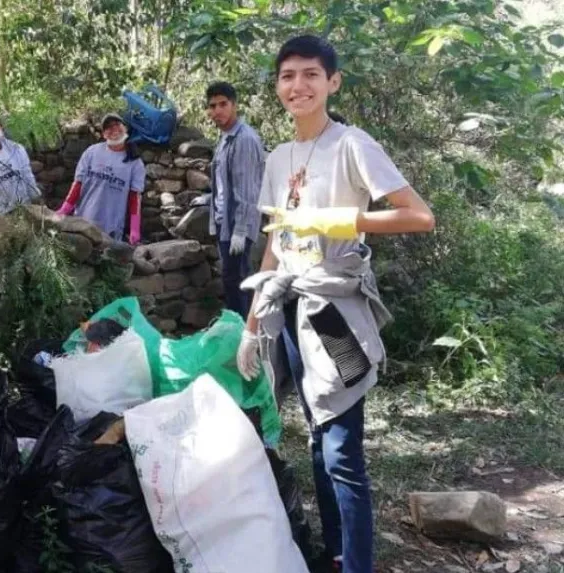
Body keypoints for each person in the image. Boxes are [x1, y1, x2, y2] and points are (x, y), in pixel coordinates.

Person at [237, 36, 435, 573]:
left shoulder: (351, 145)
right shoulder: (280, 157)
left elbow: (419, 216)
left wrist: (346, 221)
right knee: (319, 437)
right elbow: (276, 242)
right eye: (286, 76)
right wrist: (252, 323)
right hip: (297, 314)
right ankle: (335, 554)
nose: (297, 85)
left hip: (336, 317)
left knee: (343, 452)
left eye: (310, 74)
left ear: (332, 82)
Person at [205, 81, 266, 319]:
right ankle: (240, 332)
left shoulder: (244, 139)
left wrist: (240, 230)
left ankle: (245, 335)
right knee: (233, 279)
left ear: (234, 105)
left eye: (223, 104)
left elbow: (247, 190)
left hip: (237, 225)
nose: (217, 111)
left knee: (237, 281)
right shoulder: (225, 139)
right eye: (213, 106)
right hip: (224, 222)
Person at [55, 113, 145, 245]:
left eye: (117, 124)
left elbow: (134, 197)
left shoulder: (135, 163)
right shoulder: (91, 152)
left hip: (111, 228)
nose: (114, 129)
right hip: (83, 222)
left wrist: (134, 229)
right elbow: (78, 184)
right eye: (108, 127)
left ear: (125, 128)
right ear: (104, 134)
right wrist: (64, 210)